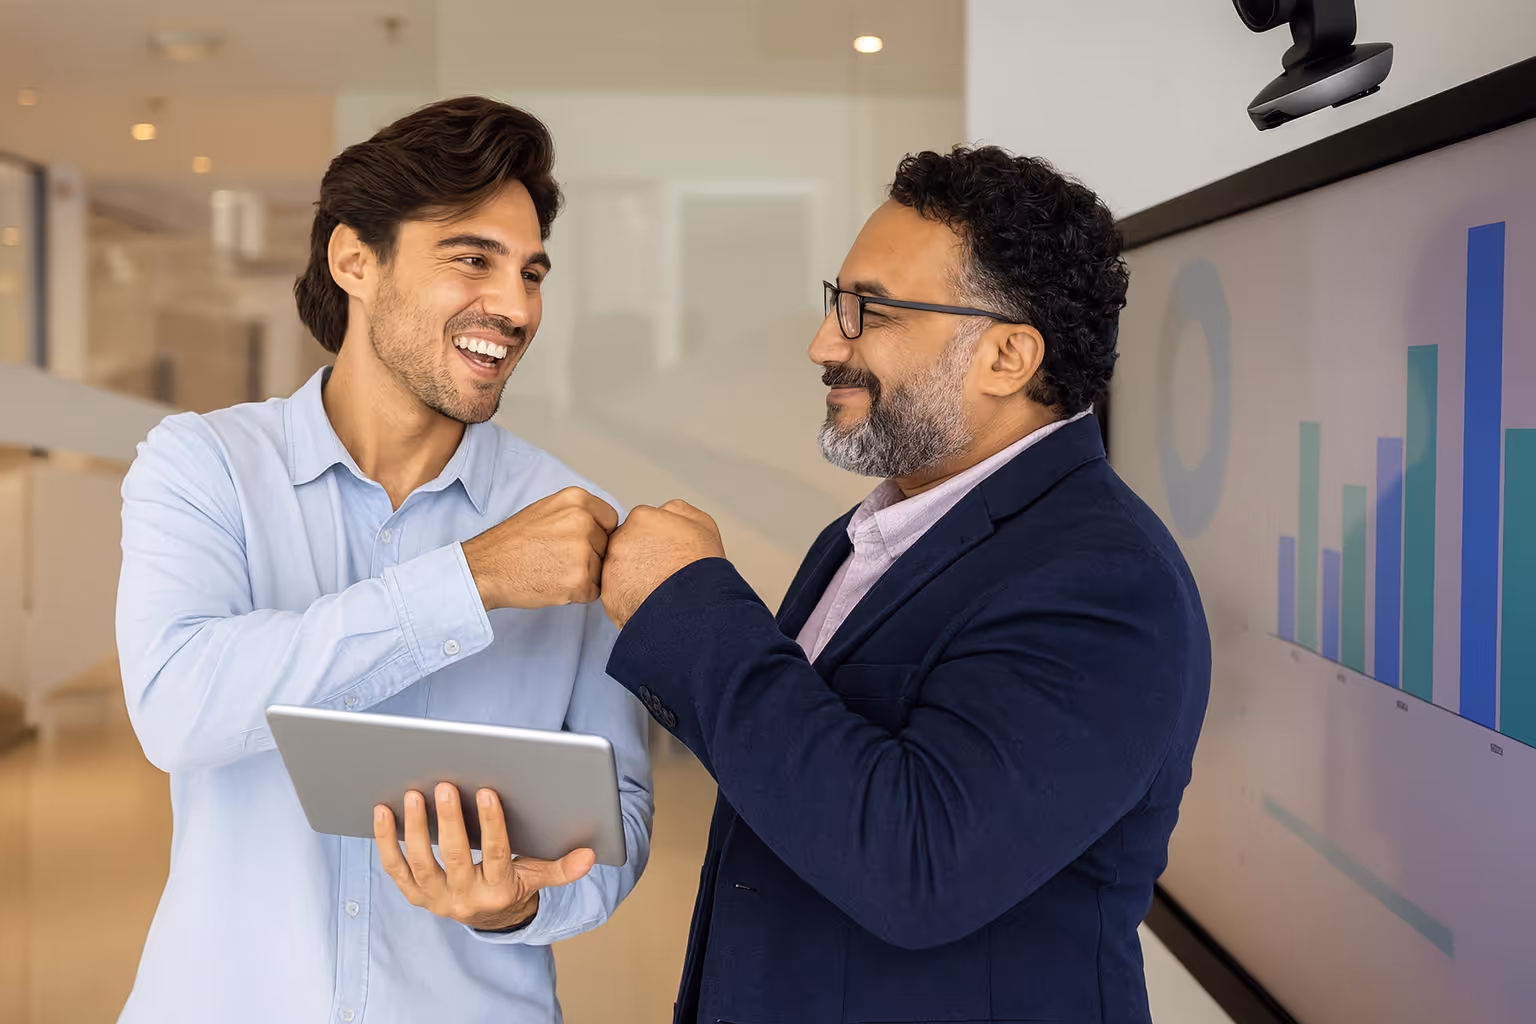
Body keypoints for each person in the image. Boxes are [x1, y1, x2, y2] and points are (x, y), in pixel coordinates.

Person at [595, 147, 1212, 1023]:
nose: (823, 343)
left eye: (867, 313)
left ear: (1005, 355)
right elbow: (794, 793)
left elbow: (916, 866)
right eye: (834, 303)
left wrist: (688, 604)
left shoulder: (1108, 585)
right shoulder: (875, 530)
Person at [114, 97, 652, 1024]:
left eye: (531, 273)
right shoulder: (203, 465)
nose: (516, 307)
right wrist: (472, 581)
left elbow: (620, 819)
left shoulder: (574, 524)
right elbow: (178, 707)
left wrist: (522, 903)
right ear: (354, 260)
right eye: (471, 259)